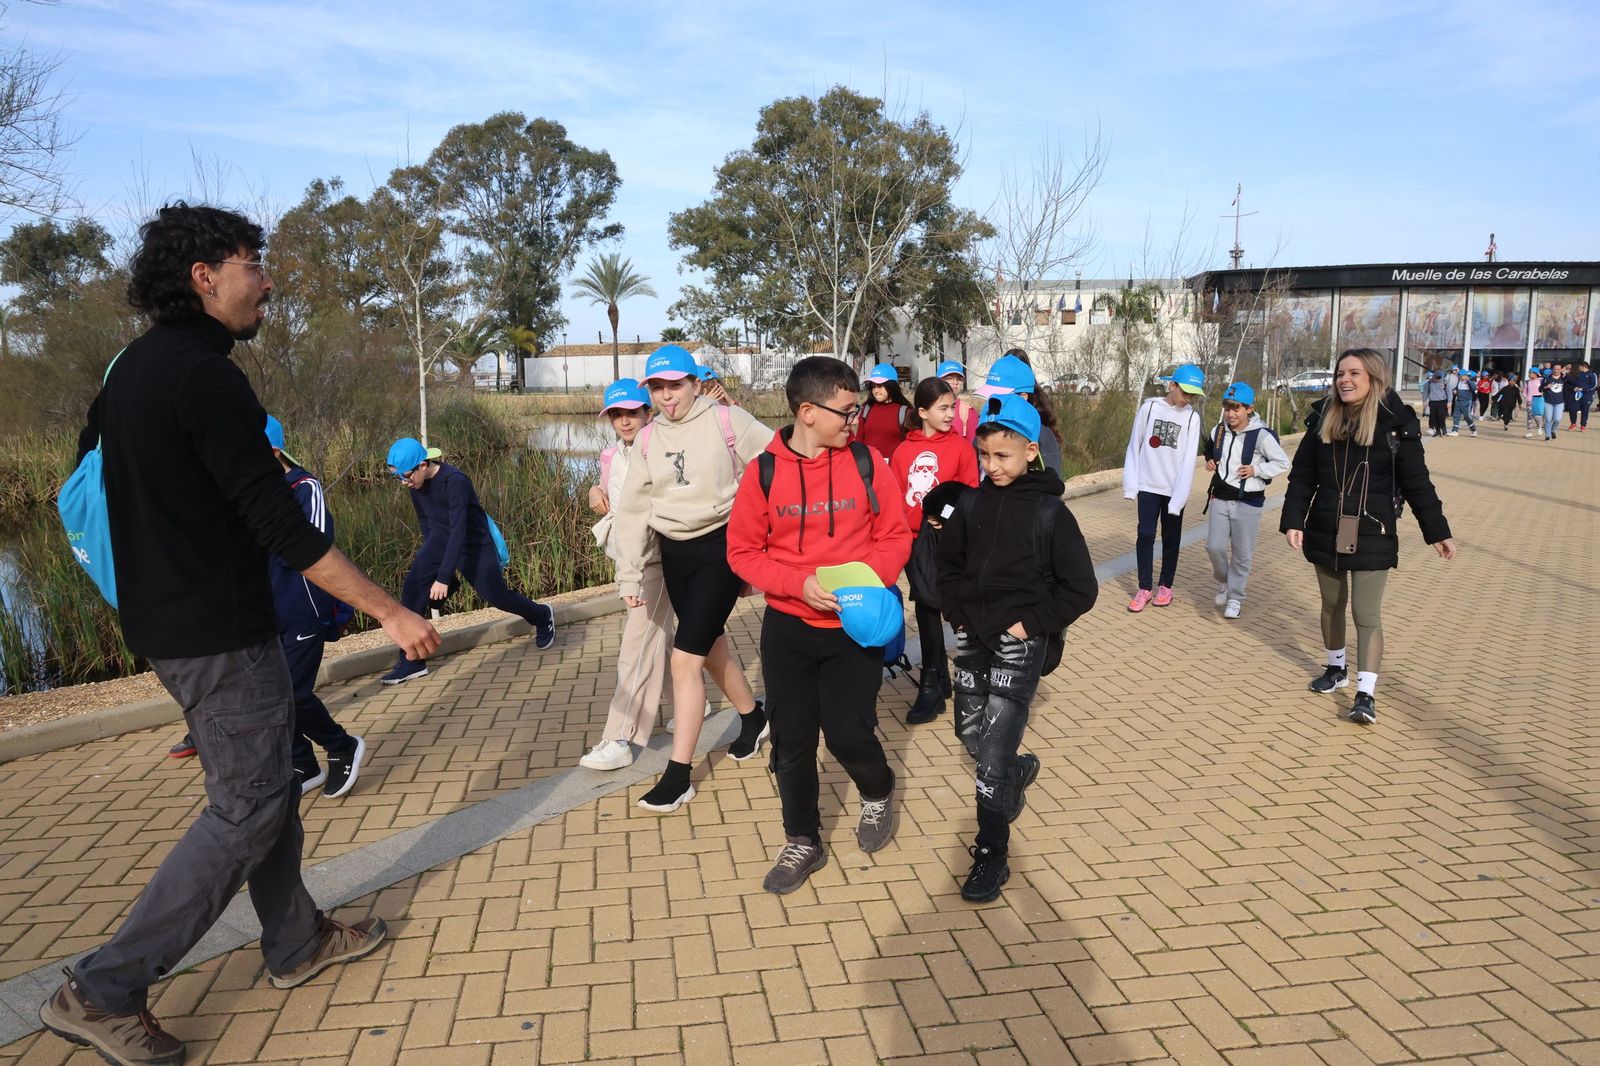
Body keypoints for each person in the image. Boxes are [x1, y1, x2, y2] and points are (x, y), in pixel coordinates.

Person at [40, 203, 440, 1066]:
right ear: (204, 276)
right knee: (250, 805)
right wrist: (391, 610)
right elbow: (284, 529)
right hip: (218, 630)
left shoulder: (131, 370)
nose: (266, 280)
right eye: (252, 263)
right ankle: (102, 989)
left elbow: (100, 487)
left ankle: (294, 940)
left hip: (168, 624)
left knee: (262, 788)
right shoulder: (205, 377)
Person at [725, 355, 912, 894]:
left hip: (854, 630)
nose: (855, 421)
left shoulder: (869, 462)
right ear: (808, 411)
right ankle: (802, 839)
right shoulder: (763, 472)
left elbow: (896, 536)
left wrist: (860, 584)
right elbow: (742, 552)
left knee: (850, 735)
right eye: (846, 412)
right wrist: (795, 585)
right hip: (789, 628)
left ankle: (877, 792)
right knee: (792, 742)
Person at [936, 394, 1097, 902]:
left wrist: (1033, 626)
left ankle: (991, 856)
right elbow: (948, 566)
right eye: (984, 455)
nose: (991, 465)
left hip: (1017, 645)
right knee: (970, 737)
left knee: (989, 762)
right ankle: (1020, 770)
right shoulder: (971, 503)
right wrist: (956, 611)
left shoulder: (1051, 513)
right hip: (971, 636)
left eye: (1002, 456)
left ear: (1031, 450)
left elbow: (1082, 589)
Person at [613, 344, 775, 813]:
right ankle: (753, 718)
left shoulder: (729, 421)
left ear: (695, 383)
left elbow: (776, 464)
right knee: (710, 648)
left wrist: (759, 538)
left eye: (675, 385)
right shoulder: (647, 439)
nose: (667, 397)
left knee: (683, 661)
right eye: (658, 388)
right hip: (674, 556)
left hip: (723, 549)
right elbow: (634, 509)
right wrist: (628, 573)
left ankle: (679, 776)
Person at [1281, 348, 1454, 726]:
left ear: (1373, 378)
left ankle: (1365, 693)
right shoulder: (1322, 418)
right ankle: (1336, 669)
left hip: (1373, 530)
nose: (1344, 380)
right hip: (1325, 526)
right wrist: (1293, 520)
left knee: (1365, 611)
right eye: (1340, 373)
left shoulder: (1396, 424)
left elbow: (1416, 482)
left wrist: (1436, 532)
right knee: (1331, 603)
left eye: (1354, 373)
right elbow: (1302, 477)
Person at [383, 438, 556, 683]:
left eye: (406, 476)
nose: (403, 483)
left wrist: (443, 577)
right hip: (440, 540)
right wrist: (433, 563)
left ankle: (541, 615)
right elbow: (426, 522)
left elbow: (458, 531)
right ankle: (411, 660)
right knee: (413, 587)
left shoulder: (455, 481)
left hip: (474, 545)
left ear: (422, 465)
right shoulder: (415, 485)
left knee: (498, 597)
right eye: (398, 477)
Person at [579, 379, 672, 771]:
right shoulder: (611, 455)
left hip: (662, 560)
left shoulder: (665, 449)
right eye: (617, 415)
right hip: (631, 561)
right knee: (673, 642)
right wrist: (593, 493)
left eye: (632, 412)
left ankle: (620, 737)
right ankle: (742, 711)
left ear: (648, 413)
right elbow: (607, 490)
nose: (625, 421)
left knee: (636, 648)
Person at [889, 377, 980, 723]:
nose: (950, 413)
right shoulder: (903, 451)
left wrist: (948, 517)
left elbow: (970, 493)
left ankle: (962, 675)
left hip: (951, 539)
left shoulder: (960, 447)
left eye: (953, 407)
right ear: (922, 412)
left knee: (953, 604)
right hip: (914, 540)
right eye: (943, 408)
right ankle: (932, 679)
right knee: (926, 603)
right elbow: (896, 497)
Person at [1202, 383, 1290, 620]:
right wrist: (1210, 461)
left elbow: (1283, 462)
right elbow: (1209, 451)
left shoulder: (1261, 435)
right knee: (1214, 546)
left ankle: (1235, 597)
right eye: (1227, 408)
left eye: (1236, 408)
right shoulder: (1218, 431)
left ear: (1249, 408)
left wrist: (1256, 469)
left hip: (1248, 501)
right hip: (1220, 496)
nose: (1230, 414)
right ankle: (1223, 582)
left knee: (1242, 554)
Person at [1122, 363, 1205, 611]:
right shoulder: (1149, 409)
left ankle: (1166, 585)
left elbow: (1189, 460)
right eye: (1185, 392)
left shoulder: (1192, 417)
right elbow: (1134, 446)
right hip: (1148, 484)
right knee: (1145, 534)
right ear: (1172, 386)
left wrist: (1179, 498)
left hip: (1174, 489)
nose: (1187, 398)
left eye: (1192, 395)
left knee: (1171, 539)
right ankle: (1144, 587)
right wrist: (1131, 485)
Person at [980, 350, 1064, 475]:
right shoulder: (984, 427)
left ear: (1023, 397)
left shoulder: (1041, 436)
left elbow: (1052, 485)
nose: (992, 467)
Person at [853, 363, 911, 458]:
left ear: (891, 386)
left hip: (893, 470)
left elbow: (910, 445)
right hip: (869, 468)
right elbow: (859, 440)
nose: (876, 390)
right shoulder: (866, 409)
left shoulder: (905, 412)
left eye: (880, 386)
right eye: (873, 386)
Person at [936, 359, 980, 442]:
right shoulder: (927, 407)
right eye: (950, 378)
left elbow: (972, 449)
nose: (955, 382)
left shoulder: (968, 411)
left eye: (959, 379)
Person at [1541, 365, 1567, 441]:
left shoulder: (1563, 378)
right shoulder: (1547, 378)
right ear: (1552, 369)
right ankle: (1547, 435)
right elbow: (1540, 388)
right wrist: (1546, 387)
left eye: (1558, 369)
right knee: (1548, 419)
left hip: (1560, 402)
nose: (1556, 371)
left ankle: (1553, 430)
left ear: (1560, 370)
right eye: (1554, 369)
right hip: (1548, 402)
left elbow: (1572, 382)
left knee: (1557, 419)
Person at [1450, 368, 1478, 437]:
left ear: (1465, 375)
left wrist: (1468, 380)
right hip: (1458, 401)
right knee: (1456, 416)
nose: (1459, 377)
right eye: (1459, 375)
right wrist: (1454, 390)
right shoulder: (1459, 381)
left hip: (1466, 401)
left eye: (1460, 375)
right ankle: (1455, 431)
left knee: (1467, 416)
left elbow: (1474, 388)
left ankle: (1473, 430)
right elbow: (1456, 388)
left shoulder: (1470, 381)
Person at [1567, 361, 1595, 430]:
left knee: (1585, 410)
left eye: (1579, 366)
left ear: (1583, 366)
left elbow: (1594, 385)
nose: (1578, 368)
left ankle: (1583, 425)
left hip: (1587, 395)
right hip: (1577, 395)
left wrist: (1583, 388)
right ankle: (1573, 423)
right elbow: (1573, 383)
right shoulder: (1578, 374)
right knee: (1573, 409)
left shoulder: (1592, 374)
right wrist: (1574, 388)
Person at [1423, 370, 1449, 437]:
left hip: (1442, 401)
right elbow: (1425, 391)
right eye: (1436, 378)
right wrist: (1424, 400)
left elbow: (1448, 391)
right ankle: (1437, 431)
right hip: (1432, 401)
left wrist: (1450, 401)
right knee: (1433, 417)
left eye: (1439, 378)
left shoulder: (1444, 381)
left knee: (1440, 415)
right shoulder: (1429, 383)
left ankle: (1443, 428)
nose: (1438, 380)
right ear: (1433, 377)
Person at [1524, 370, 1546, 438]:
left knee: (1537, 416)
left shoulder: (1541, 380)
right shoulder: (1527, 382)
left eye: (1530, 373)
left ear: (1535, 374)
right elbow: (1525, 392)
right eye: (1529, 373)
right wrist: (1526, 398)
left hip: (1538, 401)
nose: (1529, 374)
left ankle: (1539, 427)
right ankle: (1529, 432)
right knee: (1529, 417)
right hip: (1530, 401)